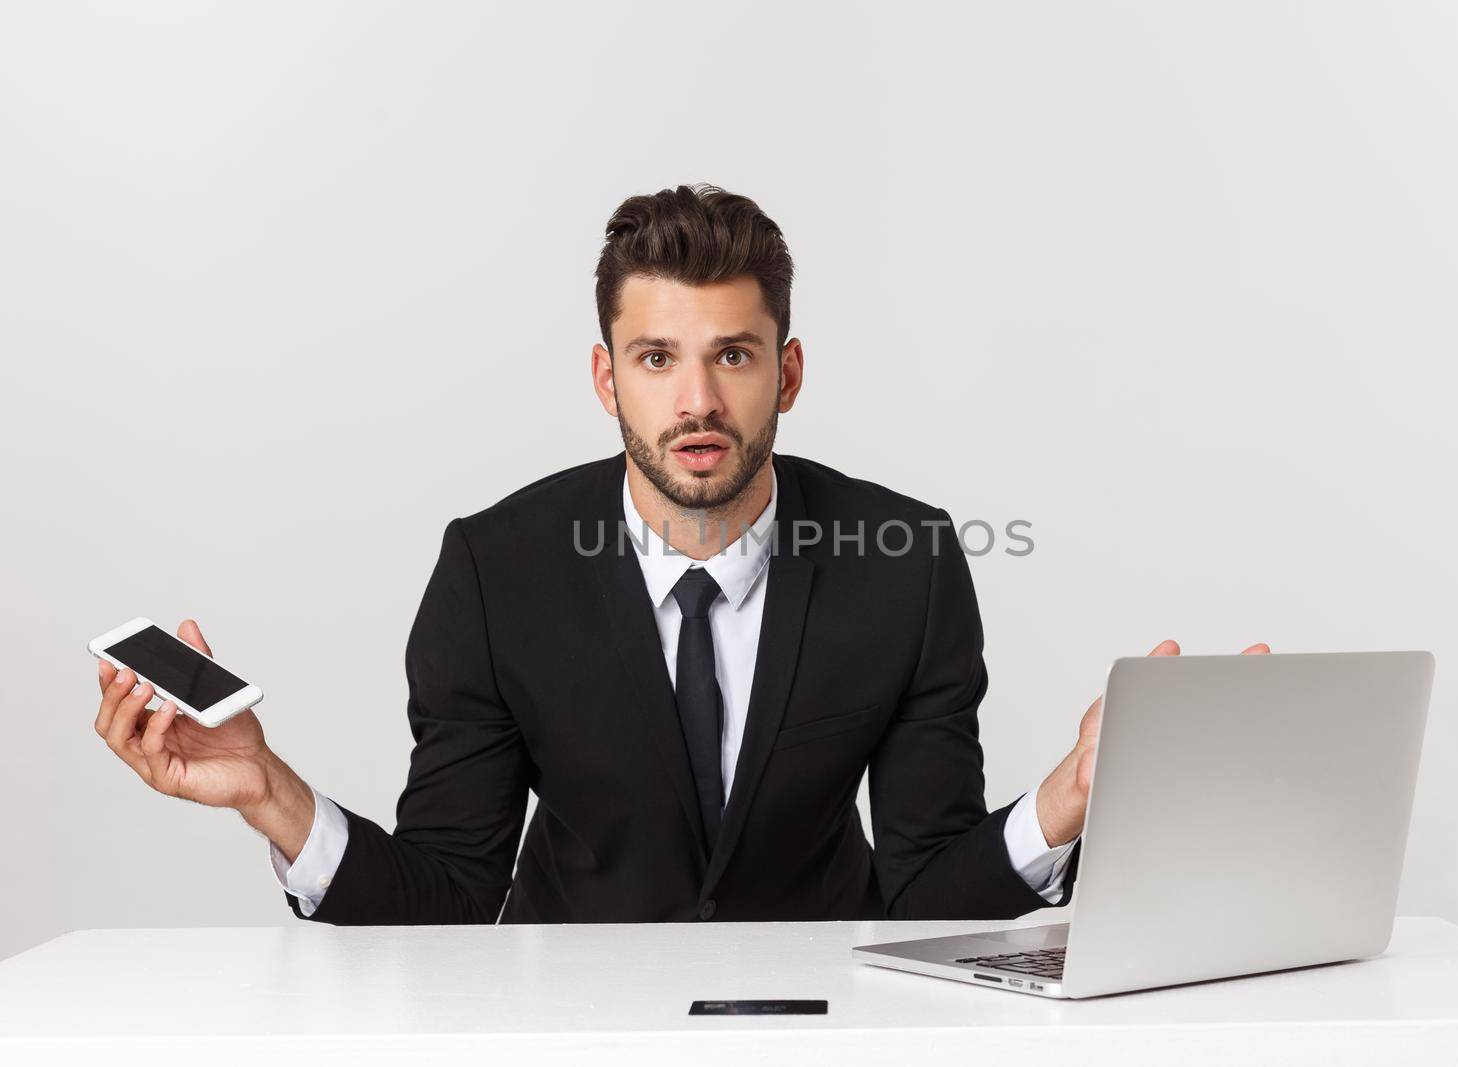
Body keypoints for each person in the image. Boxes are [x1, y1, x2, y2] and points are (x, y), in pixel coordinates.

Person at [93, 184, 1267, 924]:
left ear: (787, 373)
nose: (696, 399)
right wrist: (267, 790)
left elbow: (920, 892)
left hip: (836, 1026)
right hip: (569, 1034)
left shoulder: (900, 563)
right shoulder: (497, 571)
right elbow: (448, 896)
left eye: (734, 356)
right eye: (656, 359)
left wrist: (1063, 802)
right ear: (606, 377)